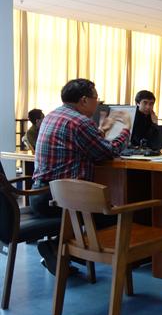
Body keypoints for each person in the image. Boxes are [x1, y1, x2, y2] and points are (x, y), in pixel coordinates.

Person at [32, 78, 131, 275]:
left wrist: (102, 130)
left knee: (96, 211)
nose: (98, 102)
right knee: (114, 216)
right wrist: (126, 128)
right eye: (97, 98)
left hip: (41, 195)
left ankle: (63, 248)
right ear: (84, 100)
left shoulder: (53, 115)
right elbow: (108, 152)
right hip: (62, 201)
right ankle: (65, 248)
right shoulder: (80, 122)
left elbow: (80, 143)